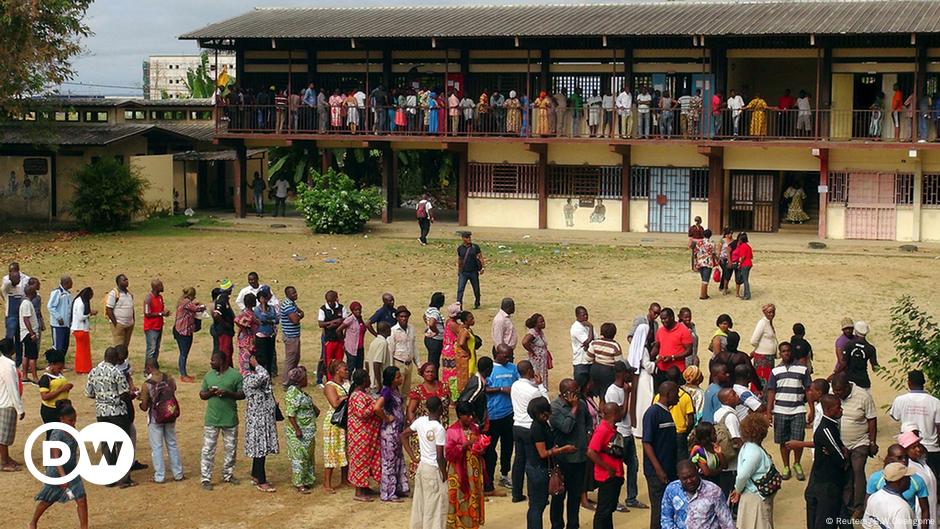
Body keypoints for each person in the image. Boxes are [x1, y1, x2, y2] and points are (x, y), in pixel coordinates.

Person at [29, 401, 88, 529]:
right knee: (49, 499)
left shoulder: (72, 430)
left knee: (81, 497)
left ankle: (84, 527)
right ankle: (33, 522)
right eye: (70, 421)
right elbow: (55, 457)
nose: (73, 423)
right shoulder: (57, 434)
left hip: (71, 469)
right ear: (61, 419)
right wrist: (62, 477)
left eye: (74, 420)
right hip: (57, 472)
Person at [793, 393, 848, 529]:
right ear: (828, 410)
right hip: (827, 483)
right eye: (838, 408)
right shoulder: (826, 429)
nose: (841, 410)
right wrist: (843, 454)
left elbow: (840, 449)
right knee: (825, 519)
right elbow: (841, 458)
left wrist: (841, 451)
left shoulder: (831, 426)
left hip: (825, 480)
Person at [84, 346, 134, 487]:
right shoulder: (116, 372)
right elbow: (124, 394)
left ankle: (111, 477)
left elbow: (89, 393)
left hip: (101, 412)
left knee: (107, 443)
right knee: (122, 443)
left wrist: (102, 397)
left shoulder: (93, 371)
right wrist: (131, 395)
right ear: (114, 358)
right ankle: (124, 479)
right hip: (118, 412)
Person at [831, 372, 878, 520]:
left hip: (860, 442)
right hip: (841, 443)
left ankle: (859, 507)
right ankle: (847, 505)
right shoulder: (834, 394)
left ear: (847, 387)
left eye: (840, 391)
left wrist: (872, 442)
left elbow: (872, 420)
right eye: (835, 391)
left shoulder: (863, 396)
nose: (837, 394)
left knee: (858, 471)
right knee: (846, 474)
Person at [520, 396, 570, 529]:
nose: (545, 416)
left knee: (538, 505)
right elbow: (543, 453)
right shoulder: (537, 427)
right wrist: (562, 450)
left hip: (540, 468)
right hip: (538, 469)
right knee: (537, 505)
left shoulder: (542, 424)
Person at [199, 349, 245, 491]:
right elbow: (202, 394)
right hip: (212, 419)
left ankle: (228, 474)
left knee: (230, 449)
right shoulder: (208, 376)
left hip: (229, 419)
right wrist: (210, 393)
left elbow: (242, 394)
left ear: (222, 361)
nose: (211, 362)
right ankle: (206, 478)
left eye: (214, 360)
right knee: (208, 450)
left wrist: (228, 394)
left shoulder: (236, 376)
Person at [550, 378, 591, 526]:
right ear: (565, 394)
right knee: (559, 496)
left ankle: (573, 525)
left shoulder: (581, 403)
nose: (578, 394)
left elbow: (588, 420)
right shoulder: (554, 408)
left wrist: (588, 432)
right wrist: (573, 409)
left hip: (580, 458)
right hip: (563, 460)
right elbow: (566, 427)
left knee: (574, 496)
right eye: (574, 392)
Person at [766, 341, 810, 481]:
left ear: (791, 352)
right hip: (780, 410)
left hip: (798, 409)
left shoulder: (802, 369)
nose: (786, 353)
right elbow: (771, 392)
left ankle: (797, 463)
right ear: (780, 353)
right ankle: (786, 466)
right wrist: (769, 412)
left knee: (798, 439)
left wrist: (812, 409)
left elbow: (808, 390)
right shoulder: (775, 371)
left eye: (788, 351)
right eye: (783, 351)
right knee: (783, 441)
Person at [404, 396, 448, 529]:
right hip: (434, 469)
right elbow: (440, 456)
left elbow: (403, 435)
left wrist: (413, 457)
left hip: (422, 467)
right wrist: (444, 473)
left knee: (420, 502)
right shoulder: (439, 428)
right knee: (435, 505)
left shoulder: (420, 421)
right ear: (440, 409)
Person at [139, 357, 183, 483]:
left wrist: (140, 400)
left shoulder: (147, 384)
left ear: (148, 368)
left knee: (157, 447)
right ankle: (178, 474)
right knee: (172, 444)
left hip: (155, 418)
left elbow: (144, 406)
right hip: (170, 414)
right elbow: (173, 390)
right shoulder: (169, 378)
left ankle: (160, 476)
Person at [865, 444, 930, 529]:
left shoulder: (917, 480)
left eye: (906, 457)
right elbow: (868, 506)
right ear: (889, 459)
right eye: (899, 458)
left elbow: (925, 510)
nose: (904, 461)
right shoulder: (875, 479)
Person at [512, 359, 550, 504]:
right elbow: (545, 404)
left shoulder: (515, 385)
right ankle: (534, 496)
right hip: (529, 428)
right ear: (529, 371)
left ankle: (516, 493)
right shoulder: (534, 391)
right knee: (533, 462)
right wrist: (540, 385)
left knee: (519, 459)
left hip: (517, 425)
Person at [891, 370, 940, 481]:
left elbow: (895, 416)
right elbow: (939, 428)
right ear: (924, 382)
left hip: (908, 448)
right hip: (931, 448)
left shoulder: (900, 400)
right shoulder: (935, 402)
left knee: (909, 481)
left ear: (909, 383)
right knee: (933, 480)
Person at [644, 381, 680, 529]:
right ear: (668, 394)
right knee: (659, 509)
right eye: (676, 394)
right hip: (657, 472)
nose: (678, 397)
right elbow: (647, 443)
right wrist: (658, 470)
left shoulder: (667, 412)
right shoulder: (653, 413)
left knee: (668, 509)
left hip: (668, 470)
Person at [730, 413, 776, 529]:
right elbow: (742, 475)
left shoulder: (749, 447)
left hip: (755, 495)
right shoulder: (754, 451)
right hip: (755, 497)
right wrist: (738, 489)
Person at [446, 400, 487, 529]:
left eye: (471, 415)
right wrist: (466, 445)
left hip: (473, 469)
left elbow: (479, 443)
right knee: (459, 496)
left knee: (473, 494)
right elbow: (449, 454)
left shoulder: (474, 427)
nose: (470, 418)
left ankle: (472, 524)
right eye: (467, 415)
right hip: (459, 471)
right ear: (459, 415)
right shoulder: (452, 431)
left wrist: (481, 446)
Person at [661, 460, 735, 529]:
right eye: (685, 478)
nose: (689, 481)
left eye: (692, 476)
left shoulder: (714, 491)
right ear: (679, 476)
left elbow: (727, 522)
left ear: (697, 471)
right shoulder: (672, 490)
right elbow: (666, 518)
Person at [484, 345, 518, 492]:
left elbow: (518, 384)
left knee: (508, 446)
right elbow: (484, 388)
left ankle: (504, 474)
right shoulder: (489, 369)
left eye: (510, 356)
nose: (509, 358)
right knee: (490, 449)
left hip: (509, 414)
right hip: (492, 415)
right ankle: (488, 479)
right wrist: (501, 389)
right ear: (497, 355)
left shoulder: (513, 368)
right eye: (506, 356)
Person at [587, 401, 626, 529]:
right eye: (619, 411)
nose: (622, 413)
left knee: (608, 511)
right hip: (607, 477)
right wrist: (607, 467)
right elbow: (591, 452)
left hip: (614, 476)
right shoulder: (602, 430)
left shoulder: (611, 428)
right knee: (603, 512)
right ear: (614, 414)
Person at [243, 354, 278, 493]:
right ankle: (261, 481)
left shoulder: (258, 378)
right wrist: (256, 364)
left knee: (261, 448)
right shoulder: (250, 379)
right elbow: (265, 376)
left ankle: (255, 475)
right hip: (257, 420)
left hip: (263, 419)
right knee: (260, 449)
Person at [408, 362, 450, 476]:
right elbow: (410, 411)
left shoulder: (444, 387)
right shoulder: (418, 391)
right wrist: (415, 428)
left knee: (441, 454)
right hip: (425, 430)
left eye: (432, 371)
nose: (430, 374)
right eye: (427, 371)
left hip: (442, 427)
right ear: (422, 373)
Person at [283, 365, 319, 494]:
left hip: (308, 431)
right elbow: (290, 414)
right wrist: (297, 429)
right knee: (299, 457)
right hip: (298, 432)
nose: (307, 379)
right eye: (305, 377)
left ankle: (307, 480)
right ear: (299, 380)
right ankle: (299, 483)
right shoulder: (292, 393)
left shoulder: (301, 392)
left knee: (308, 457)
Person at [348, 368, 382, 501]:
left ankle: (365, 486)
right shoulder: (356, 396)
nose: (369, 380)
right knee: (360, 461)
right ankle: (359, 491)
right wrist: (375, 406)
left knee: (368, 460)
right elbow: (362, 413)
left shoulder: (364, 393)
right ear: (363, 380)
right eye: (368, 377)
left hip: (368, 435)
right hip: (359, 435)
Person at [377, 365, 409, 502]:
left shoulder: (395, 390)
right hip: (389, 432)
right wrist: (386, 418)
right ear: (391, 379)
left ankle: (397, 488)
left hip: (397, 431)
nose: (400, 378)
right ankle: (388, 493)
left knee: (397, 459)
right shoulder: (387, 392)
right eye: (397, 377)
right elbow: (377, 407)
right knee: (389, 461)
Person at [900, 430, 937, 529]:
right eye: (913, 447)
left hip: (933, 512)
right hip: (920, 515)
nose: (918, 449)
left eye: (918, 445)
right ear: (905, 450)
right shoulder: (908, 469)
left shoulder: (923, 462)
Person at [863, 462, 917, 529]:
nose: (910, 480)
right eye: (908, 477)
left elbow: (867, 525)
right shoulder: (902, 508)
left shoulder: (873, 497)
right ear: (900, 481)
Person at [651, 308, 693, 388]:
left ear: (672, 317)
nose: (663, 321)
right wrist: (649, 358)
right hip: (662, 370)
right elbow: (657, 347)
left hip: (677, 372)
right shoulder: (660, 331)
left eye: (665, 318)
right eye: (661, 319)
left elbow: (689, 350)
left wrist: (673, 357)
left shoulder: (683, 330)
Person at [0, 338, 24, 471]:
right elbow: (12, 387)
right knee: (4, 435)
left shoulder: (3, 362)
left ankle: (6, 458)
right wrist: (19, 408)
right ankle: (4, 462)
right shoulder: (8, 365)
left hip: (3, 401)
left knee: (5, 434)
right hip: (7, 402)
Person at [172, 287, 204, 383]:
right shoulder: (186, 302)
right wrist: (203, 306)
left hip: (181, 330)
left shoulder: (182, 301)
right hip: (183, 331)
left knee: (184, 353)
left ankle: (184, 373)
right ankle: (183, 374)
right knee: (183, 354)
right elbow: (197, 309)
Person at [836, 321, 879, 391]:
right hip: (863, 381)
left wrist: (836, 373)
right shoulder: (871, 348)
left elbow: (843, 363)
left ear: (855, 331)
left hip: (850, 380)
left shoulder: (849, 345)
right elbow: (875, 368)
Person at [318, 290, 349, 385]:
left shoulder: (341, 308)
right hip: (328, 340)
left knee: (339, 361)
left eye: (332, 301)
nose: (330, 303)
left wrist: (332, 323)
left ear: (336, 299)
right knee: (329, 362)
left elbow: (345, 320)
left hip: (339, 339)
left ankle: (339, 380)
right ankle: (330, 381)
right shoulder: (323, 309)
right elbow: (320, 323)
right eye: (328, 301)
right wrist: (333, 322)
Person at [2, 263, 29, 367]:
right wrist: (12, 280)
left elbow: (25, 291)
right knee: (9, 337)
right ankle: (5, 358)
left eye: (14, 271)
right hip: (11, 314)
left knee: (19, 338)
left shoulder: (25, 279)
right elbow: (5, 287)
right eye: (10, 272)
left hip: (21, 314)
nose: (11, 274)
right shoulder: (6, 280)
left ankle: (18, 361)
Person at [588, 322, 623, 401]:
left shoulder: (595, 342)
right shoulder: (615, 346)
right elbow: (619, 362)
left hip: (595, 370)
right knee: (605, 396)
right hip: (608, 372)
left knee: (600, 396)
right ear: (614, 334)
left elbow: (588, 358)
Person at [388, 306, 419, 393]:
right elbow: (391, 350)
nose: (404, 318)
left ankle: (404, 407)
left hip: (409, 364)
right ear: (397, 318)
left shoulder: (411, 328)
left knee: (406, 392)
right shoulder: (393, 331)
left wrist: (418, 364)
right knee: (398, 390)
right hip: (398, 363)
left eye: (405, 316)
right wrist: (391, 367)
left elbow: (414, 347)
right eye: (401, 316)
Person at [142, 279, 171, 368]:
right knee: (151, 349)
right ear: (156, 287)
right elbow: (147, 313)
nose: (163, 287)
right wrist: (161, 313)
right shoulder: (148, 299)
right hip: (151, 328)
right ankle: (147, 369)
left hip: (159, 326)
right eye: (161, 285)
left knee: (156, 348)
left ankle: (154, 366)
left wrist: (164, 313)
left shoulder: (160, 297)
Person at [38, 349, 71, 427]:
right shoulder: (45, 378)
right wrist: (61, 389)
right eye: (59, 368)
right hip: (50, 410)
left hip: (62, 408)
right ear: (52, 364)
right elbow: (44, 396)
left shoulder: (59, 375)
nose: (60, 370)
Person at [279, 286, 304, 387]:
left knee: (295, 358)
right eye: (293, 293)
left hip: (293, 335)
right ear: (287, 294)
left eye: (295, 292)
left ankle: (293, 379)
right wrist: (299, 315)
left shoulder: (291, 303)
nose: (295, 294)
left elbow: (301, 313)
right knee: (291, 360)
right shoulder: (288, 305)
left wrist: (299, 314)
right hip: (291, 337)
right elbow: (295, 320)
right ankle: (286, 382)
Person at [749, 303, 778, 390]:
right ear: (765, 313)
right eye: (769, 312)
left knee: (769, 380)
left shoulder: (769, 323)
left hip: (769, 358)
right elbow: (753, 340)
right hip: (763, 357)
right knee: (762, 381)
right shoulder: (762, 323)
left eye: (773, 312)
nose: (771, 314)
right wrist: (760, 348)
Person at [252, 287, 278, 376]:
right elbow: (262, 318)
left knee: (270, 356)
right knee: (262, 357)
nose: (265, 300)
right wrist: (263, 307)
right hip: (261, 336)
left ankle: (269, 374)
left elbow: (276, 320)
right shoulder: (256, 310)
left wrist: (269, 321)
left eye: (266, 298)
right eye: (262, 298)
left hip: (270, 335)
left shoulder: (271, 308)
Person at [521, 313, 551, 389]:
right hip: (536, 362)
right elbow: (525, 342)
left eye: (543, 321)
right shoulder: (532, 333)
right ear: (535, 324)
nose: (543, 323)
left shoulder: (539, 332)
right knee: (536, 377)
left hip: (541, 362)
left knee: (542, 376)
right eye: (541, 322)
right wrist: (532, 352)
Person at [69, 287, 95, 375]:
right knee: (82, 351)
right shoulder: (81, 303)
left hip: (80, 329)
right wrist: (90, 313)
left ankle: (83, 367)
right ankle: (82, 368)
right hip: (80, 329)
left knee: (83, 350)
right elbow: (80, 317)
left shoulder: (78, 300)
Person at [19, 283, 41, 383]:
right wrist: (32, 333)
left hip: (25, 333)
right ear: (32, 293)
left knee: (26, 355)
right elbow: (26, 319)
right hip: (28, 333)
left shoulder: (25, 303)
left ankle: (24, 376)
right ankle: (35, 377)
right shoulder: (27, 304)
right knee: (32, 356)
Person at [456, 232, 484, 309]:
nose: (469, 239)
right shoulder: (460, 248)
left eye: (469, 237)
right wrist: (459, 270)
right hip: (463, 272)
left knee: (476, 289)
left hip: (473, 271)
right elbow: (459, 259)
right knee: (460, 289)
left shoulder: (475, 247)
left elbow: (480, 257)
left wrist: (482, 267)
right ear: (463, 238)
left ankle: (477, 302)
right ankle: (459, 305)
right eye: (467, 237)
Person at [105, 274, 134, 348]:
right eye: (124, 280)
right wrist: (116, 324)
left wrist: (133, 320)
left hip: (129, 324)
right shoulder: (114, 293)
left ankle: (125, 359)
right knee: (119, 347)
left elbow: (131, 308)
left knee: (125, 346)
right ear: (118, 282)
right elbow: (109, 309)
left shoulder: (129, 294)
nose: (127, 281)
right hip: (119, 324)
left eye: (127, 279)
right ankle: (117, 359)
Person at [211, 281, 236, 367]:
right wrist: (225, 324)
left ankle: (229, 368)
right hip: (224, 331)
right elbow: (216, 314)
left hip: (227, 331)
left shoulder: (225, 299)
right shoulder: (221, 300)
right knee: (225, 351)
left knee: (229, 350)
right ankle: (224, 369)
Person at [234, 293, 259, 375]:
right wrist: (244, 328)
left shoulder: (251, 312)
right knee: (246, 359)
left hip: (250, 339)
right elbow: (237, 320)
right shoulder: (247, 313)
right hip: (247, 340)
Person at [47, 276, 72, 356]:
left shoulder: (68, 294)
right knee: (58, 345)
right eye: (71, 282)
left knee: (65, 345)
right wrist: (58, 317)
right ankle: (53, 363)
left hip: (66, 324)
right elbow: (50, 306)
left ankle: (61, 363)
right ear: (66, 283)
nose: (72, 284)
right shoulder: (57, 292)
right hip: (58, 325)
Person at [338, 301, 366, 372]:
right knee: (350, 367)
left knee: (359, 368)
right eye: (356, 310)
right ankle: (347, 382)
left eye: (359, 309)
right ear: (352, 311)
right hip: (351, 348)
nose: (358, 311)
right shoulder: (350, 319)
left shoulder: (360, 319)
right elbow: (338, 330)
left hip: (360, 348)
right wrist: (343, 341)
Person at [570, 306, 594, 380]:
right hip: (580, 362)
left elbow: (595, 340)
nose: (586, 316)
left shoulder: (587, 326)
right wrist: (591, 327)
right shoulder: (576, 328)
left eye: (586, 314)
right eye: (583, 315)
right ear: (577, 316)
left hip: (590, 361)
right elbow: (587, 341)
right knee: (579, 386)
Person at [367, 321, 392, 392]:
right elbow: (376, 363)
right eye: (389, 329)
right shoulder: (383, 343)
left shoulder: (374, 342)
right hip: (379, 384)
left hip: (372, 382)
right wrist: (379, 383)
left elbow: (367, 362)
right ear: (386, 330)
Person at [424, 292, 446, 371]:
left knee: (432, 361)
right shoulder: (435, 312)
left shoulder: (429, 309)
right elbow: (432, 323)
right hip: (436, 340)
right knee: (434, 363)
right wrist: (436, 331)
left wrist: (428, 327)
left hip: (430, 339)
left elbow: (425, 317)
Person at [693, 230, 718, 300]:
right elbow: (713, 253)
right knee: (705, 280)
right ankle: (702, 295)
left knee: (703, 279)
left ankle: (705, 294)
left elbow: (695, 253)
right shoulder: (712, 243)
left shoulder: (699, 243)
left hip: (700, 262)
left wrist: (695, 262)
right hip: (708, 262)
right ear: (710, 235)